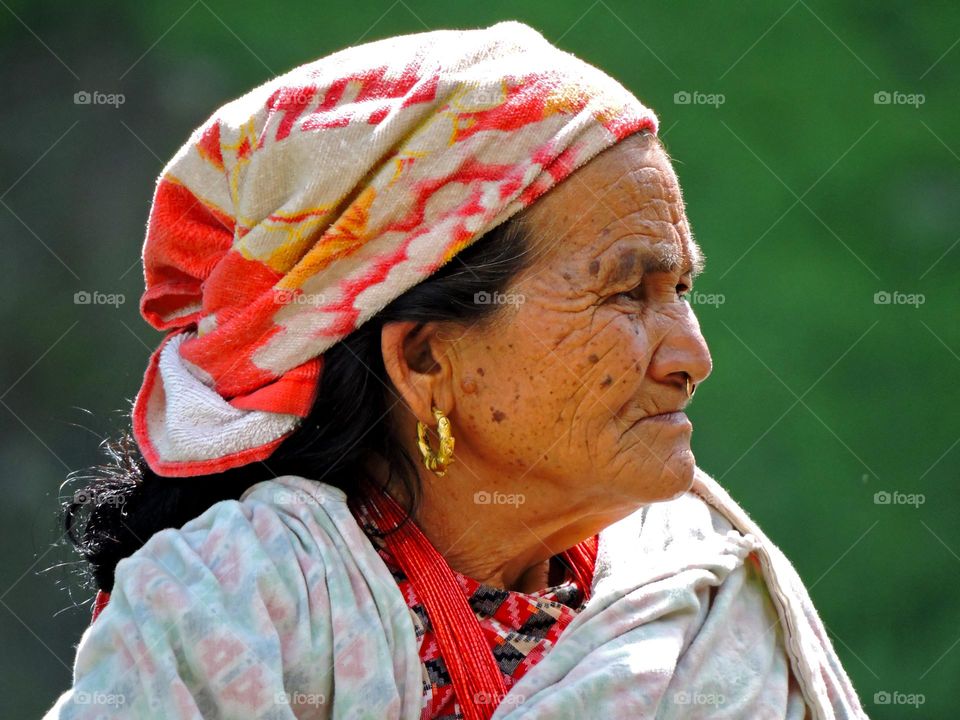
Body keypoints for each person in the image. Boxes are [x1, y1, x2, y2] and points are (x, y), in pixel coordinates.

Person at [45, 20, 866, 719]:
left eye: (681, 288)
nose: (692, 356)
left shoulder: (702, 599)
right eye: (627, 293)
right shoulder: (236, 609)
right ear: (426, 356)